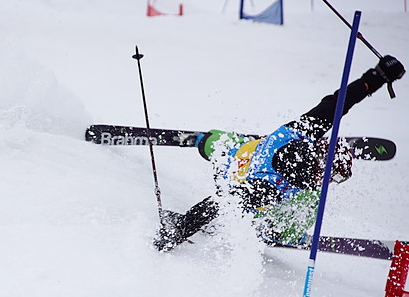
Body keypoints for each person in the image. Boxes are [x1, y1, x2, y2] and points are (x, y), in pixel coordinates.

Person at [155, 55, 405, 252]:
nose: (329, 182)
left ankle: (203, 141)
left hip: (243, 151)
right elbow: (219, 205)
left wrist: (377, 77)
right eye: (330, 178)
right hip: (232, 177)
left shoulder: (303, 131)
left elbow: (341, 101)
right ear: (315, 170)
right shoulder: (268, 188)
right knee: (310, 200)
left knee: (222, 143)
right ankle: (277, 230)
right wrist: (178, 231)